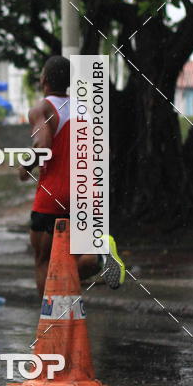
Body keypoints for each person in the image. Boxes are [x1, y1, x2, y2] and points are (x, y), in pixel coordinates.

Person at [20, 54, 125, 296]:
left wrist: (25, 169)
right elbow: (104, 152)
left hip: (53, 195)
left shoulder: (42, 108)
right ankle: (98, 256)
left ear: (44, 79)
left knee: (43, 262)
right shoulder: (86, 109)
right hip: (86, 195)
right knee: (81, 258)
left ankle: (48, 322)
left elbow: (43, 146)